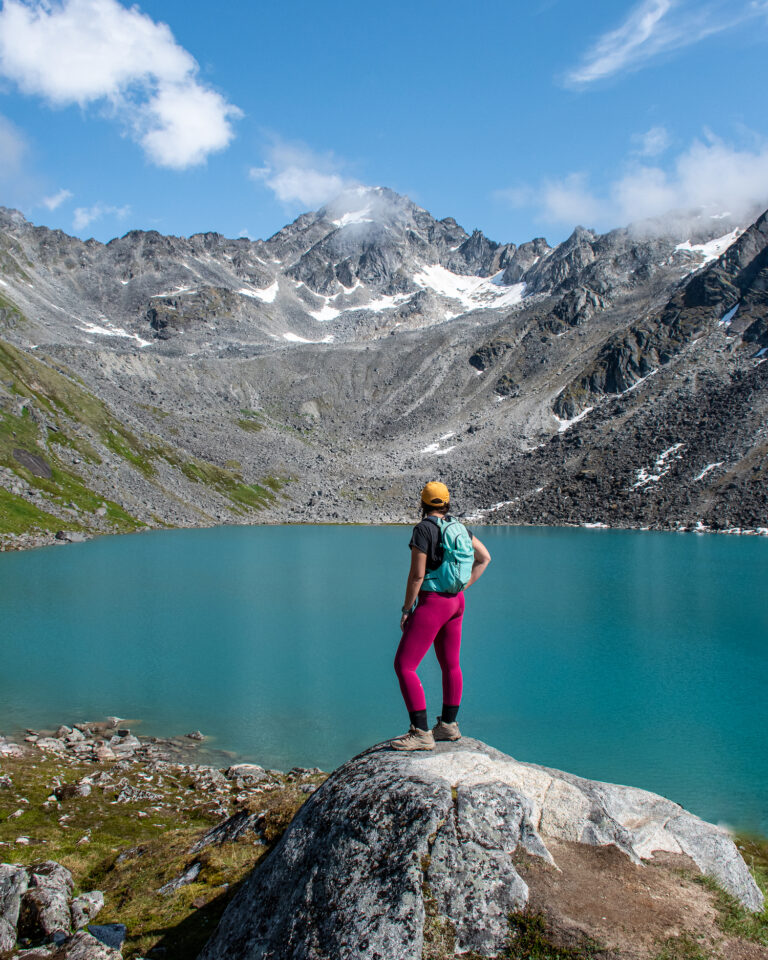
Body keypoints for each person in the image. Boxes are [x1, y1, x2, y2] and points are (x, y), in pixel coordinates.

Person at [391, 481, 491, 751]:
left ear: (422, 503)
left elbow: (417, 575)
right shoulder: (458, 527)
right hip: (456, 602)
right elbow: (485, 558)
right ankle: (448, 726)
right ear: (447, 503)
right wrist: (462, 586)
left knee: (405, 665)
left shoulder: (423, 529)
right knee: (450, 664)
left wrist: (406, 609)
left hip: (433, 602)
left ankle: (421, 732)